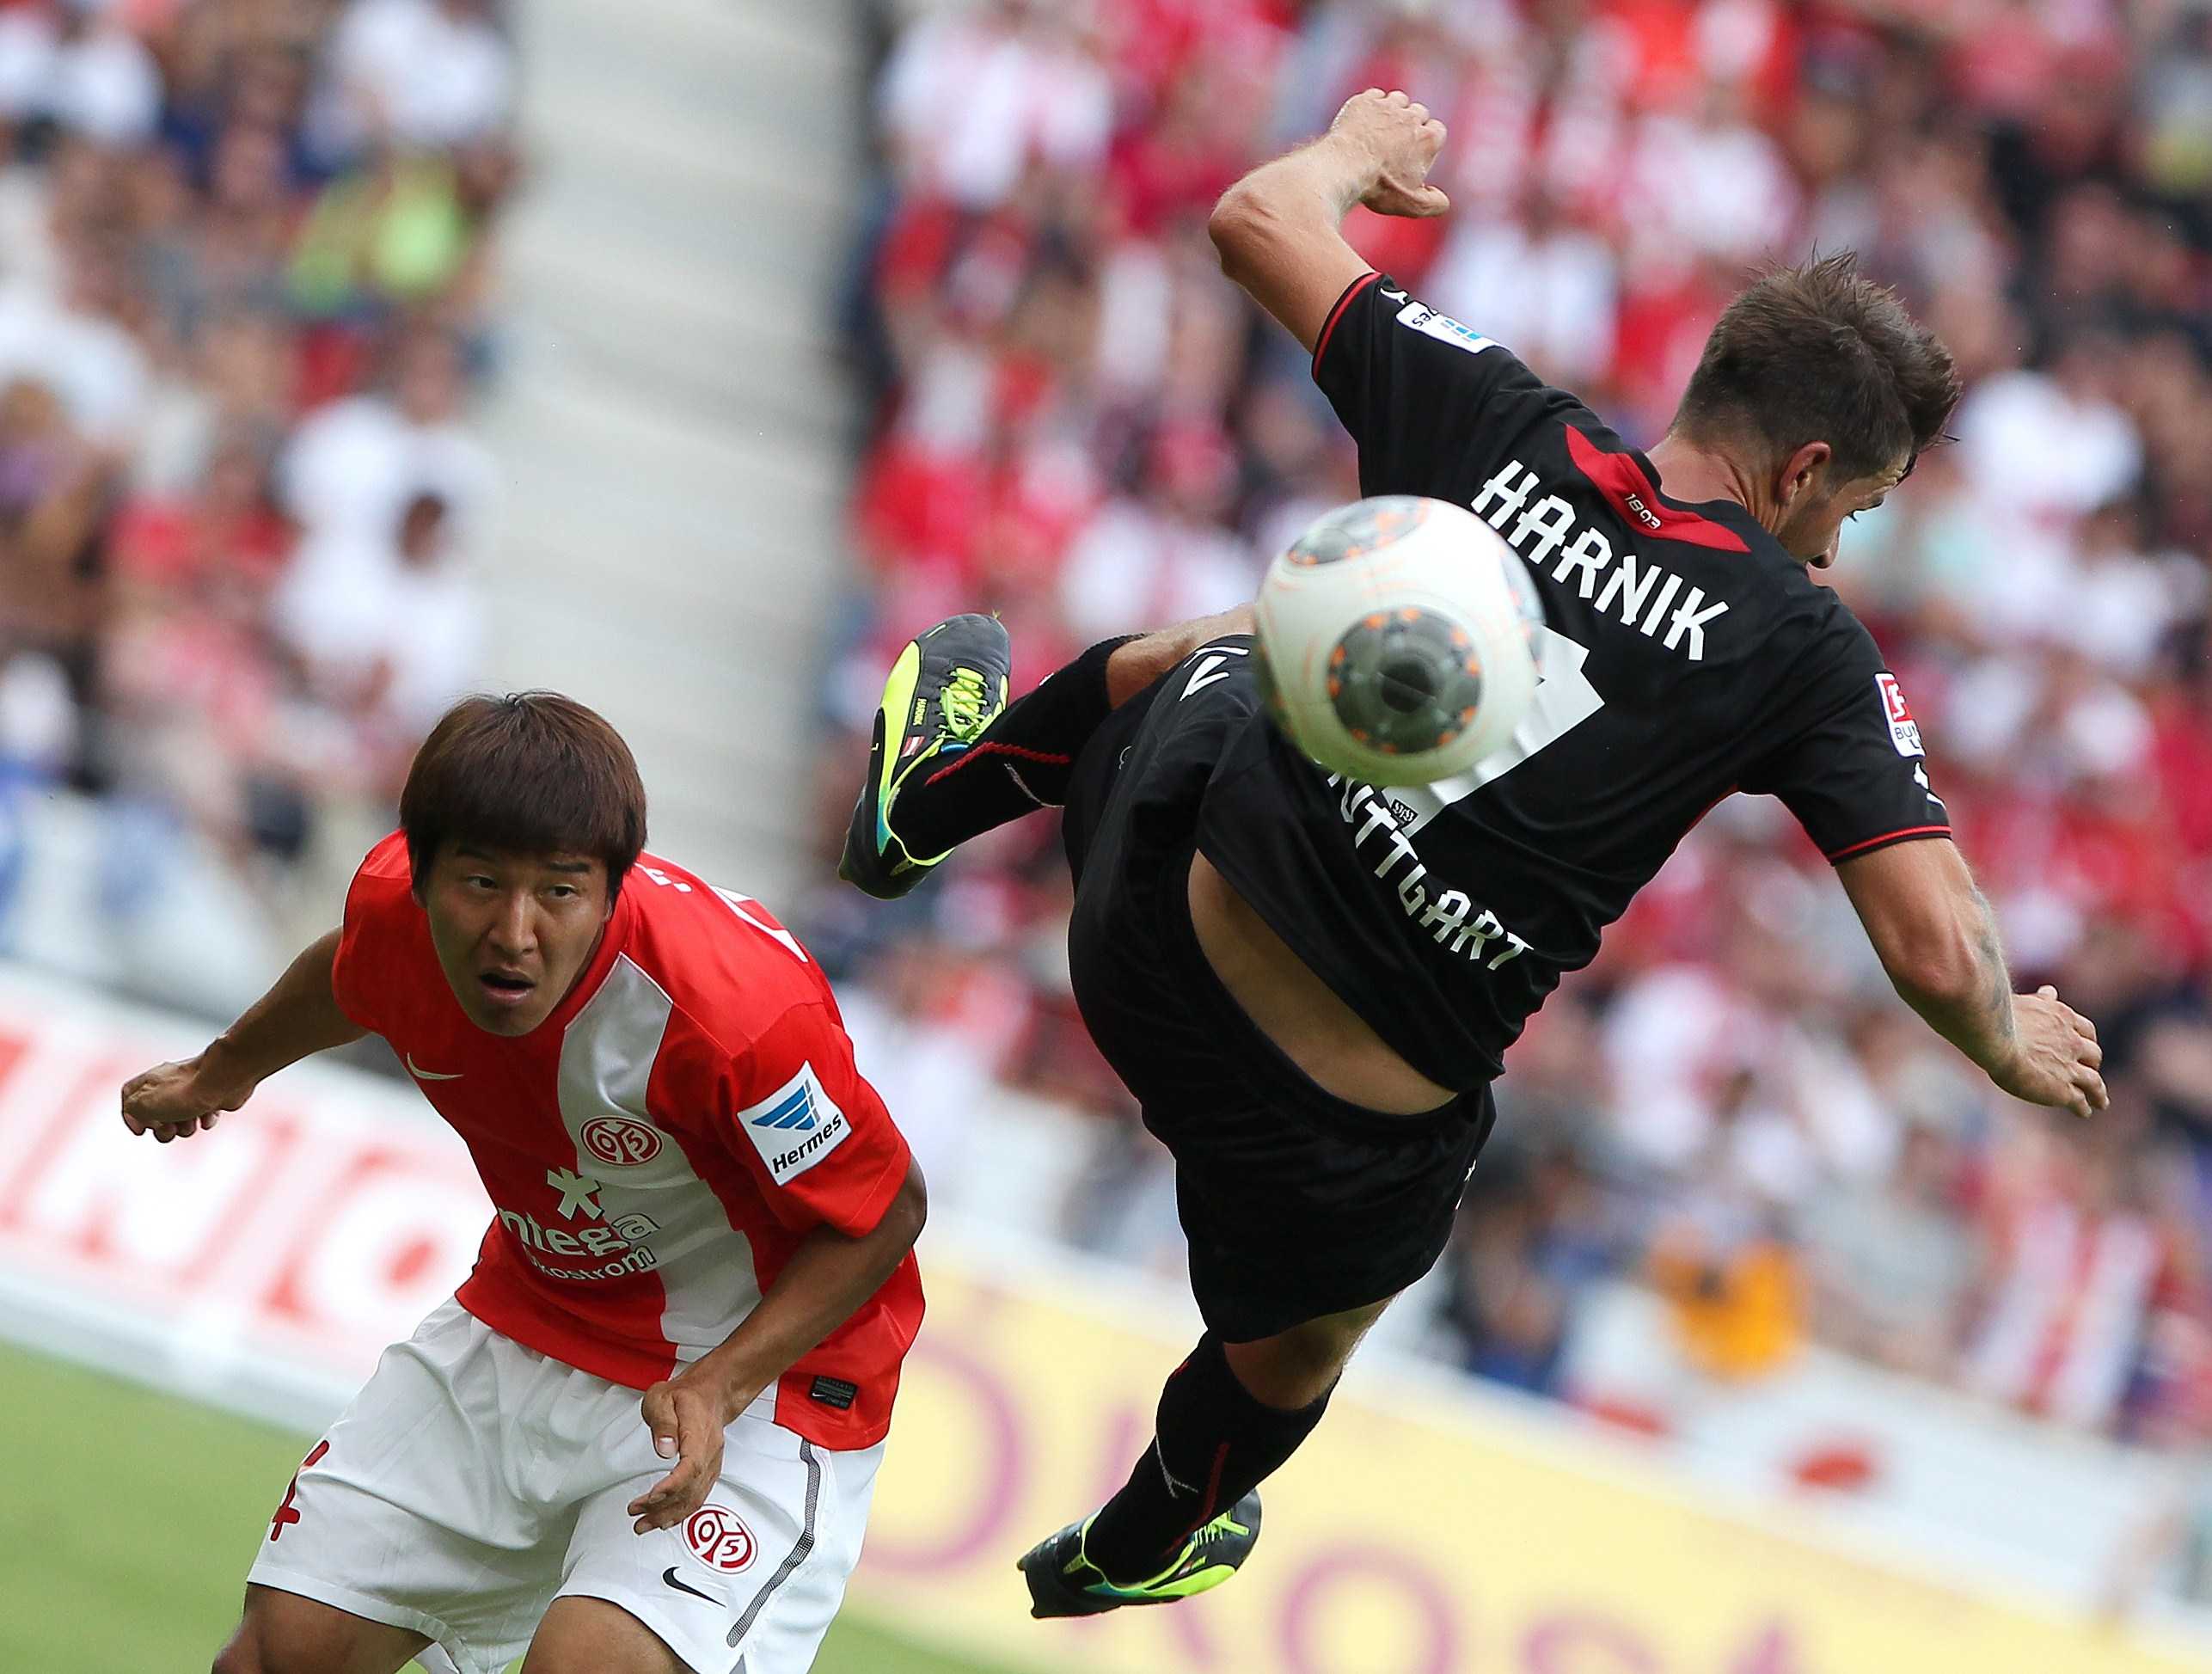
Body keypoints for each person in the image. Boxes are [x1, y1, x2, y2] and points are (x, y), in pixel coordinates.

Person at [836, 89, 2106, 1618]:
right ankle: (1156, 1520)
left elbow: (1253, 218)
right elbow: (1934, 946)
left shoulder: (1506, 425)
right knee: (1308, 1339)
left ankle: (929, 805)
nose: (1836, 547)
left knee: (1257, 632)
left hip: (1147, 932)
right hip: (1340, 1140)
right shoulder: (1801, 641)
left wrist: (1351, 160)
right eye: (1853, 506)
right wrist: (2003, 1037)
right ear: (1802, 469)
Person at [122, 691, 926, 1674]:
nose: (514, 930)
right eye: (479, 883)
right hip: (525, 1323)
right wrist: (220, 1073)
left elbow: (886, 1211)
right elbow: (352, 974)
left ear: (612, 888)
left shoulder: (733, 1013)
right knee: (280, 1654)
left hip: (754, 1382)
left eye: (558, 891)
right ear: (420, 874)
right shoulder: (394, 917)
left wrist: (721, 1383)